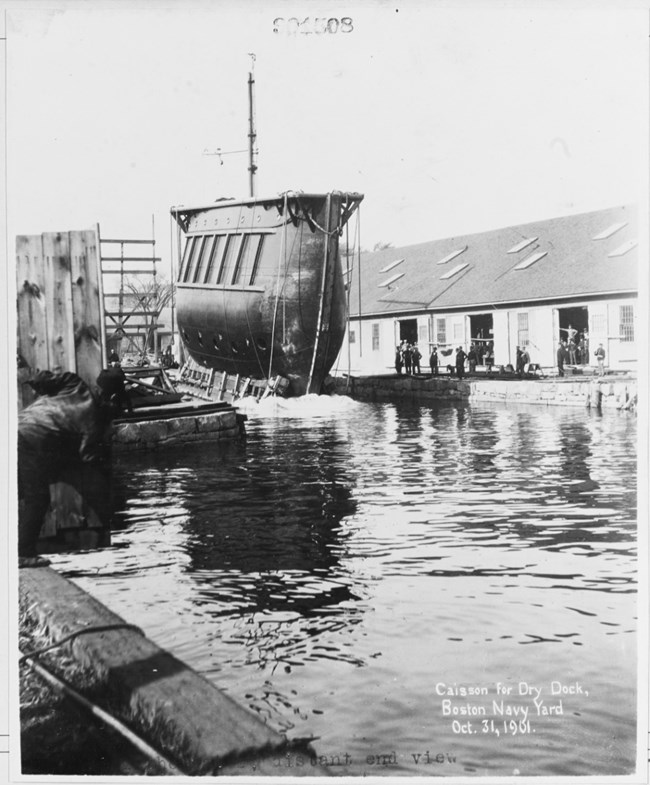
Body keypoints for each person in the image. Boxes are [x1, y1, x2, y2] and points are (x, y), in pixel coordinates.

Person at [18, 371, 112, 560]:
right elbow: (87, 456)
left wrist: (33, 384)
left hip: (15, 426)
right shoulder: (94, 421)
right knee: (37, 499)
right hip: (31, 440)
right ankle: (23, 555)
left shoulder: (74, 383)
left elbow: (41, 378)